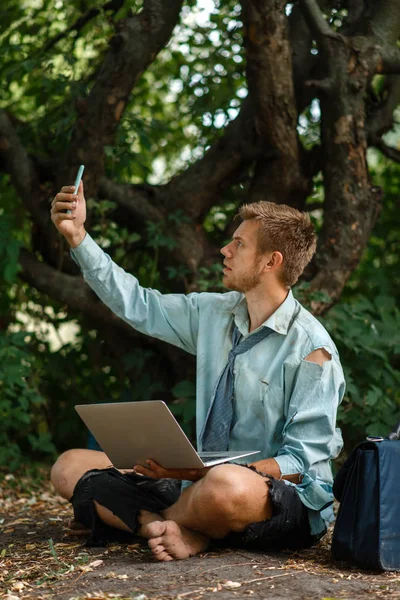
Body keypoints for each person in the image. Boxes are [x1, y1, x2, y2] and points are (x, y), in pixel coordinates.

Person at [49, 180, 344, 562]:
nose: (225, 249)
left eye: (239, 244)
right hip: (199, 482)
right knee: (70, 466)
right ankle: (174, 527)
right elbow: (140, 305)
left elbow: (302, 463)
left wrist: (209, 473)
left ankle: (145, 519)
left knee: (225, 485)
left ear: (272, 262)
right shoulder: (213, 313)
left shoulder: (312, 349)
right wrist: (78, 238)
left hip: (273, 497)